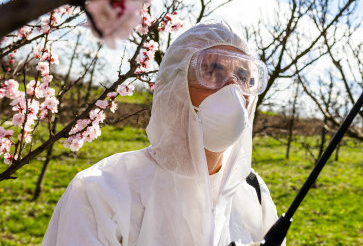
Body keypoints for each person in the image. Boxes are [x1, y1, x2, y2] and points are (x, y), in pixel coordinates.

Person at [42, 20, 283, 246]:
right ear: (175, 89)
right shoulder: (101, 192)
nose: (232, 90)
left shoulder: (254, 193)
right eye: (211, 72)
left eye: (243, 77)